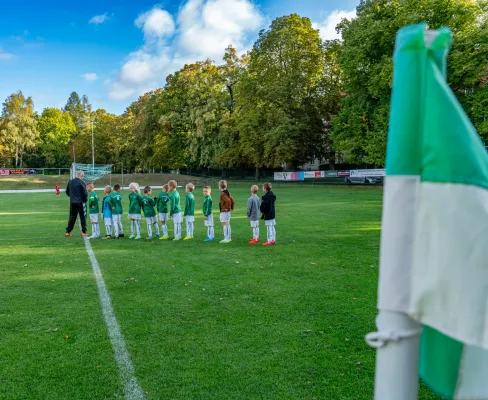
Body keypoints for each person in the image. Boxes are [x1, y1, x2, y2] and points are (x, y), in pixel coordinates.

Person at [65, 170, 88, 237]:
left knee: (72, 217)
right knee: (82, 217)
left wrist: (71, 196)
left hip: (73, 202)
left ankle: (68, 232)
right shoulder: (82, 182)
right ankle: (84, 232)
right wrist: (85, 200)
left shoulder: (70, 182)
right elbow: (84, 193)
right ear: (81, 175)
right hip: (80, 202)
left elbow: (67, 191)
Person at [260, 182, 277, 246]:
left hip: (268, 214)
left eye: (263, 188)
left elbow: (264, 207)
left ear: (265, 189)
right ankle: (273, 240)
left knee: (269, 227)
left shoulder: (266, 197)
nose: (262, 189)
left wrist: (262, 210)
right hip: (272, 214)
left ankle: (269, 241)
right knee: (272, 226)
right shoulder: (271, 195)